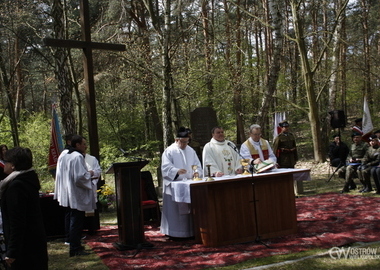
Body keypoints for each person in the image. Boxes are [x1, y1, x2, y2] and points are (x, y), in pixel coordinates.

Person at [0, 147, 48, 269]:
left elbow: (17, 221)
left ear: (13, 166)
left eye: (6, 161)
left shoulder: (17, 186)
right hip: (33, 241)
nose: (3, 164)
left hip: (25, 246)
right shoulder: (27, 179)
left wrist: (12, 251)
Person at [54, 135, 96, 256]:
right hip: (76, 193)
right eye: (83, 144)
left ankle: (72, 242)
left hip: (67, 190)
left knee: (71, 218)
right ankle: (75, 248)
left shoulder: (65, 154)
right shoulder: (77, 156)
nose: (86, 146)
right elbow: (79, 177)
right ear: (77, 145)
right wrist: (90, 174)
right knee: (76, 221)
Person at [160, 127, 203, 238]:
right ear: (176, 140)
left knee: (189, 209)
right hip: (174, 186)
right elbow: (165, 168)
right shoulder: (169, 151)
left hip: (188, 183)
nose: (184, 144)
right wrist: (176, 171)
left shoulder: (190, 150)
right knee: (176, 212)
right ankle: (174, 233)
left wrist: (196, 172)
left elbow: (197, 165)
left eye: (187, 142)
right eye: (182, 142)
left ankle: (189, 232)